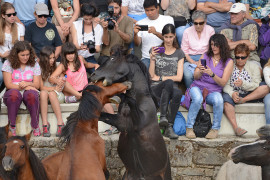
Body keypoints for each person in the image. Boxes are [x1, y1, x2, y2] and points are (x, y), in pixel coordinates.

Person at [185, 34, 234, 139]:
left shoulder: (228, 61)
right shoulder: (205, 55)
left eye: (216, 45)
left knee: (218, 100)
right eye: (212, 44)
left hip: (213, 90)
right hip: (198, 86)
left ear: (222, 45)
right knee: (197, 98)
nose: (213, 47)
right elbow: (195, 76)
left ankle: (215, 129)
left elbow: (223, 82)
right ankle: (189, 127)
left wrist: (212, 74)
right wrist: (201, 72)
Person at [223, 43, 269, 136]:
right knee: (225, 99)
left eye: (242, 57)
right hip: (234, 93)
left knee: (265, 87)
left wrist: (243, 84)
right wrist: (232, 93)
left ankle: (243, 100)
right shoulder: (230, 66)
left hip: (250, 94)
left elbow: (256, 84)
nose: (240, 60)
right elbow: (225, 84)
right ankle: (236, 128)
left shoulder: (253, 66)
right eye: (237, 57)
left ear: (247, 57)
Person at [149, 24, 184, 139]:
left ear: (174, 36)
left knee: (178, 92)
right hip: (156, 88)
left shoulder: (179, 53)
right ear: (162, 37)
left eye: (171, 37)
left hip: (170, 87)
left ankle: (169, 126)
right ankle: (164, 117)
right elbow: (151, 75)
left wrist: (160, 78)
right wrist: (152, 59)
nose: (168, 40)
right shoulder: (155, 50)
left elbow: (179, 78)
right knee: (169, 82)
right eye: (166, 37)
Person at [2, 41, 41, 136]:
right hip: (13, 91)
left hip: (29, 91)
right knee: (14, 95)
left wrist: (28, 84)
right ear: (16, 54)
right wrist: (26, 86)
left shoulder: (34, 63)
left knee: (32, 95)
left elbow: (37, 84)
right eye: (22, 55)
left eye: (27, 54)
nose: (25, 57)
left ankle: (35, 125)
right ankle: (12, 126)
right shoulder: (8, 63)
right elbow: (8, 84)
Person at [134, 0, 174, 69]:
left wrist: (156, 33)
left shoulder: (168, 19)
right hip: (147, 58)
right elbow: (137, 44)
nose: (149, 13)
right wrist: (135, 34)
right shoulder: (140, 22)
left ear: (157, 8)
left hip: (165, 56)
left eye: (152, 10)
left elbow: (171, 40)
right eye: (147, 10)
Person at [219, 3, 260, 68]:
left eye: (235, 13)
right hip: (231, 60)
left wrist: (232, 43)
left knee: (256, 70)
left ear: (243, 15)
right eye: (231, 13)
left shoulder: (251, 26)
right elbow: (224, 47)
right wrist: (246, 42)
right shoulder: (225, 28)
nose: (232, 16)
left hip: (250, 58)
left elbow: (252, 46)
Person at [181, 10, 215, 88]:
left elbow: (212, 49)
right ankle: (190, 93)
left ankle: (203, 92)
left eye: (201, 23)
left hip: (206, 57)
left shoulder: (210, 30)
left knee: (207, 73)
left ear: (205, 21)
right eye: (195, 23)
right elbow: (184, 51)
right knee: (187, 74)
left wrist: (201, 60)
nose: (198, 25)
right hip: (190, 58)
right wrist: (193, 62)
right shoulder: (187, 31)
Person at [39, 46, 65, 137]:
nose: (52, 60)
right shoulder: (39, 68)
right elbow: (41, 87)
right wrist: (53, 88)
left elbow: (61, 84)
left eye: (53, 57)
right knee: (43, 93)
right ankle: (45, 124)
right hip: (46, 95)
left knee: (52, 94)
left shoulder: (57, 66)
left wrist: (60, 81)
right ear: (43, 58)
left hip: (57, 96)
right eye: (49, 58)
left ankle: (60, 123)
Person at [71, 3, 103, 74]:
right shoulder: (75, 25)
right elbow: (74, 44)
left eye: (90, 19)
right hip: (76, 57)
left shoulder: (98, 28)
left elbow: (98, 48)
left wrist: (91, 48)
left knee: (98, 74)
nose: (88, 21)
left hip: (90, 58)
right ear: (82, 16)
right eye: (86, 19)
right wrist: (80, 47)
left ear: (94, 17)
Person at [0, 2, 25, 90]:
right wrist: (2, 55)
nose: (12, 16)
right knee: (1, 77)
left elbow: (22, 46)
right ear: (3, 15)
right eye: (9, 15)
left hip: (16, 59)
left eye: (14, 14)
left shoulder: (20, 27)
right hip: (2, 58)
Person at [263, 58, 270, 124]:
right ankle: (269, 128)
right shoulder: (267, 68)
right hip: (269, 93)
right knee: (268, 102)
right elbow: (269, 82)